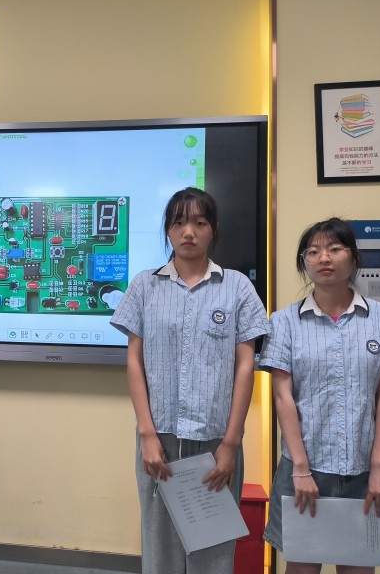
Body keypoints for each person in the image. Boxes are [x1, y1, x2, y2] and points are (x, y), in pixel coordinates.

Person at [110, 187, 269, 574]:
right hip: (159, 439)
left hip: (216, 441)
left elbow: (245, 366)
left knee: (213, 552)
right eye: (178, 222)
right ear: (167, 230)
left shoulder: (237, 287)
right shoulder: (144, 285)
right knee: (160, 552)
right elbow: (134, 361)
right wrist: (147, 435)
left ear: (213, 229)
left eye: (199, 222)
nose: (188, 232)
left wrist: (231, 443)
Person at [260, 217, 380, 574]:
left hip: (366, 471)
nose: (323, 258)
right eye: (312, 252)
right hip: (304, 470)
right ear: (304, 262)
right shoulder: (284, 322)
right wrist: (300, 469)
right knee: (302, 567)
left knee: (358, 567)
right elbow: (283, 398)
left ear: (354, 257)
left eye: (334, 248)